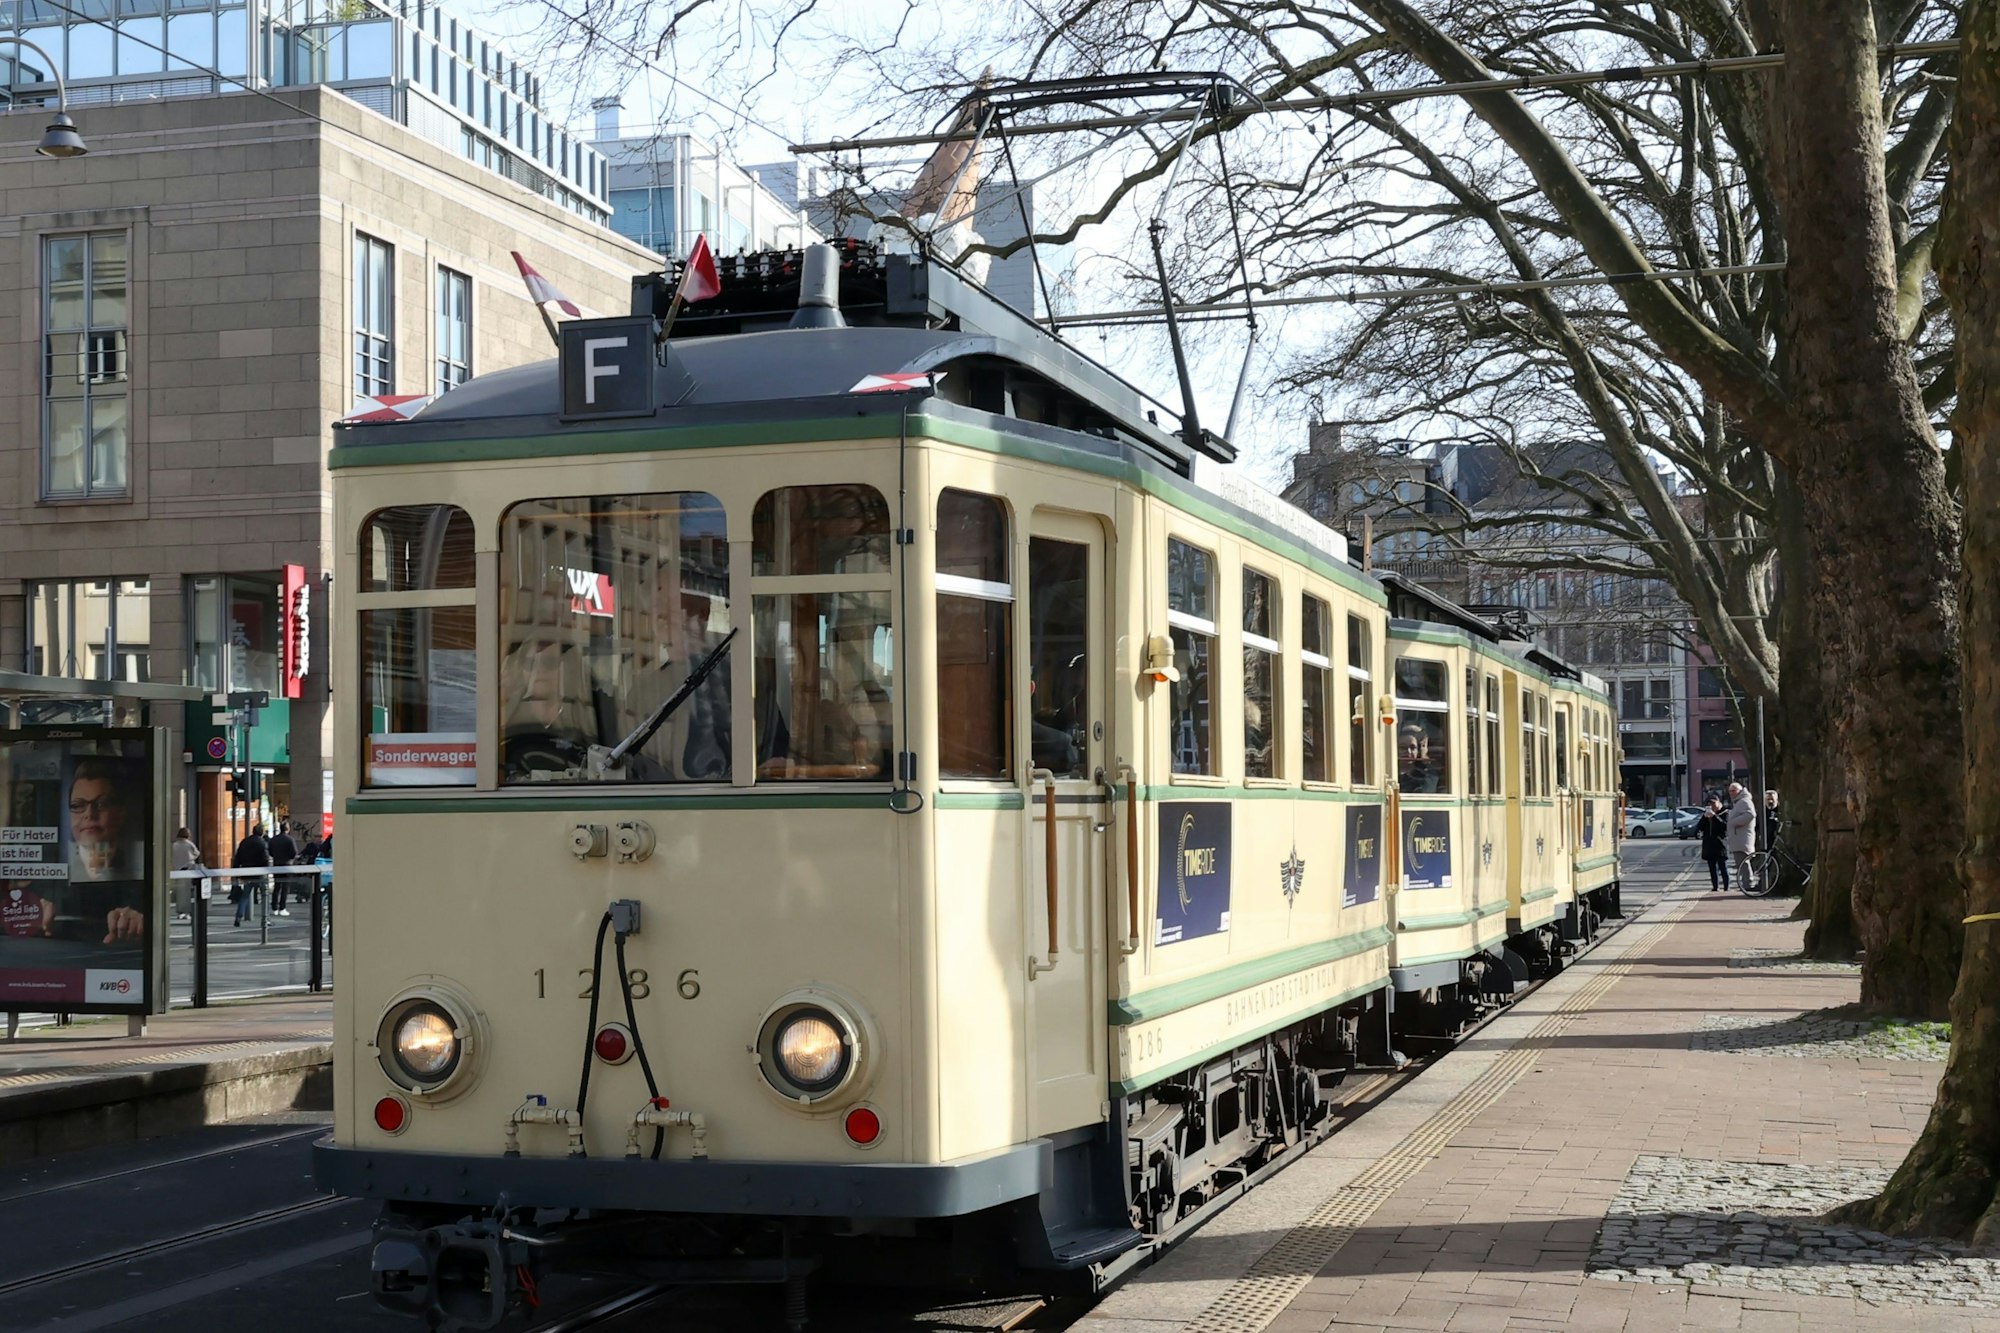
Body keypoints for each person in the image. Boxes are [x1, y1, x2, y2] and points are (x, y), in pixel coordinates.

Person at [65, 757, 142, 883]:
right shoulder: (58, 873)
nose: (89, 814)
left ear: (121, 812)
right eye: (78, 806)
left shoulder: (137, 867)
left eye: (102, 804)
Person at [232, 823, 270, 927]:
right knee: (265, 895)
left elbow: (237, 857)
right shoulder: (262, 843)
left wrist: (235, 872)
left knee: (245, 896)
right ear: (262, 832)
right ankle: (266, 918)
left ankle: (238, 917)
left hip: (247, 872)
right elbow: (265, 859)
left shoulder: (245, 842)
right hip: (259, 873)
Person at [1725, 781, 1758, 895]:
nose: (1731, 793)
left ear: (1739, 791)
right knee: (1741, 862)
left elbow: (1751, 814)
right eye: (1730, 791)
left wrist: (1734, 822)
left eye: (1733, 791)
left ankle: (1748, 884)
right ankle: (1746, 884)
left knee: (1744, 861)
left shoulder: (1744, 801)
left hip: (1742, 838)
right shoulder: (1739, 802)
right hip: (1738, 838)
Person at [1696, 797, 1731, 891]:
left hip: (1720, 843)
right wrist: (1705, 817)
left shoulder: (1725, 813)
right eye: (1710, 804)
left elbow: (1724, 826)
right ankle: (1715, 886)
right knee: (1712, 868)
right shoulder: (1707, 814)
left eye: (1713, 804)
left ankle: (1726, 886)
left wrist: (1715, 816)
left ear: (1719, 803)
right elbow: (1700, 827)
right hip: (1709, 844)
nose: (1712, 806)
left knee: (1722, 866)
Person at [170, 826, 202, 921]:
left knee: (180, 892)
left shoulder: (174, 845)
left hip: (177, 870)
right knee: (186, 893)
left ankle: (180, 911)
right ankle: (186, 911)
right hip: (188, 869)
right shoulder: (189, 844)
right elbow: (197, 853)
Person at [267, 821, 299, 916]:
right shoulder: (290, 840)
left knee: (277, 886)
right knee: (285, 887)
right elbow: (294, 853)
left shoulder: (273, 840)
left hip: (277, 864)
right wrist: (290, 858)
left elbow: (270, 852)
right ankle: (282, 907)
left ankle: (274, 907)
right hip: (287, 865)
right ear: (287, 829)